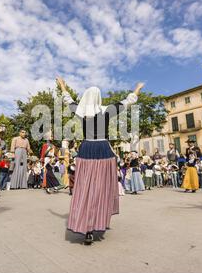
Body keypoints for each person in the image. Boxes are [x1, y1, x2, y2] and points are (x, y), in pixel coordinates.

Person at [57, 77, 142, 245]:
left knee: (84, 188)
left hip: (86, 148)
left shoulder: (80, 111)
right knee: (101, 189)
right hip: (103, 149)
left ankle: (86, 226)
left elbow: (68, 100)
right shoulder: (106, 110)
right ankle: (98, 221)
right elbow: (127, 102)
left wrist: (62, 86)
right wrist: (137, 89)